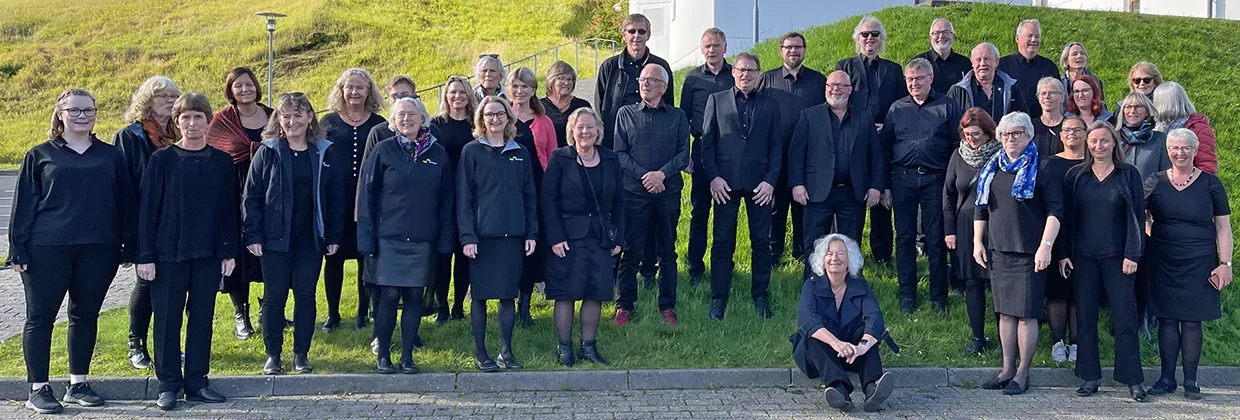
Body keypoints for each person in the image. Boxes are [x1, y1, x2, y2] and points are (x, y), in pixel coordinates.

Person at [9, 89, 136, 414]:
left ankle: (77, 383)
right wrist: (18, 248)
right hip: (46, 248)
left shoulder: (111, 156)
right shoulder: (39, 155)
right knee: (40, 318)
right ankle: (38, 388)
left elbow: (126, 204)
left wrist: (129, 243)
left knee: (85, 316)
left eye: (88, 110)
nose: (83, 116)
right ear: (60, 114)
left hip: (99, 247)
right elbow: (23, 205)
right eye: (75, 110)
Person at [136, 93, 235, 410]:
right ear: (176, 122)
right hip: (167, 253)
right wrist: (145, 255)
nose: (192, 124)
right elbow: (148, 210)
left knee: (202, 319)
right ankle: (168, 384)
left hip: (208, 253)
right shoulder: (162, 160)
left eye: (198, 117)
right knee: (166, 319)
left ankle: (197, 382)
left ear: (208, 121)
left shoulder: (221, 162)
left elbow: (228, 210)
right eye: (186, 118)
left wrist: (228, 252)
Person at [244, 92, 344, 375]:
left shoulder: (324, 151)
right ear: (279, 119)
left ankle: (301, 354)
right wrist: (253, 235)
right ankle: (273, 355)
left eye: (298, 115)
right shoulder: (268, 150)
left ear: (310, 117)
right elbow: (251, 196)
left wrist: (334, 235)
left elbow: (336, 197)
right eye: (286, 116)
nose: (292, 121)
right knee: (275, 297)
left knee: (306, 296)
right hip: (275, 239)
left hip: (310, 238)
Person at [357, 97, 454, 375]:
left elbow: (446, 199)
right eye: (401, 114)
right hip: (388, 239)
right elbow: (366, 196)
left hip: (423, 240)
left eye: (412, 114)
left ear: (423, 119)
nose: (407, 119)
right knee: (388, 297)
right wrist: (367, 239)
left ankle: (408, 356)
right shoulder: (383, 151)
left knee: (414, 297)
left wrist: (445, 239)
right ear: (393, 120)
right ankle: (384, 356)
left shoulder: (437, 154)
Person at [973, 112, 1062, 396]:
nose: (1010, 139)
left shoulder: (1044, 168)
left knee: (1026, 314)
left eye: (1017, 134)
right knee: (1005, 314)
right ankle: (1006, 369)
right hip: (999, 249)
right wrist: (978, 242)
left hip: (1030, 252)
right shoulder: (993, 166)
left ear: (1028, 135)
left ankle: (1023, 372)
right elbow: (981, 207)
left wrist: (1045, 247)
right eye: (1005, 134)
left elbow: (1055, 211)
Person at [1059, 121, 1148, 401]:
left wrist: (1133, 254)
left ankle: (1132, 380)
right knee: (1085, 318)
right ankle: (1089, 376)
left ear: (1114, 143)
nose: (1099, 146)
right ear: (1087, 143)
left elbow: (1136, 216)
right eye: (1094, 141)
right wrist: (1063, 253)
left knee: (1125, 318)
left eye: (1104, 141)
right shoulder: (1076, 175)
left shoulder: (1128, 174)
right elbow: (1067, 218)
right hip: (1083, 257)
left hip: (1118, 258)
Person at [1145, 128, 1233, 400]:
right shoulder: (1155, 181)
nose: (1180, 152)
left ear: (1195, 151)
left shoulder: (1210, 183)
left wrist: (1225, 263)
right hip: (1163, 259)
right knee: (1167, 320)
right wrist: (1152, 236)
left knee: (1192, 321)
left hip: (1200, 260)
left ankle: (1191, 381)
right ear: (1167, 151)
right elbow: (1141, 214)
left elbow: (1223, 226)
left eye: (1186, 148)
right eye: (1175, 148)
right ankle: (1166, 378)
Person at [457, 96, 538, 372]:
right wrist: (467, 237)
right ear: (481, 119)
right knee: (479, 297)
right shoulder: (472, 151)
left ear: (508, 118)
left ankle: (506, 351)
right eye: (489, 114)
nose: (495, 119)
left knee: (507, 297)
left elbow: (530, 195)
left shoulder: (521, 152)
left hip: (513, 236)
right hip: (482, 238)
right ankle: (481, 353)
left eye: (500, 114)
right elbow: (464, 198)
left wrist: (531, 232)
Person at [701, 52, 781, 320]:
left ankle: (760, 294)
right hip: (725, 181)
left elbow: (776, 147)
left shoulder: (770, 105)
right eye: (742, 70)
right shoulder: (716, 100)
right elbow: (707, 144)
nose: (746, 75)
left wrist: (771, 181)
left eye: (752, 71)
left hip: (760, 184)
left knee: (761, 241)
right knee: (723, 242)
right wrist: (713, 177)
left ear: (758, 74)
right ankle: (719, 298)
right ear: (733, 72)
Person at [541, 108, 623, 366]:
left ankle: (589, 347)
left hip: (600, 237)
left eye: (590, 127)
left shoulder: (610, 159)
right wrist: (554, 237)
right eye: (580, 127)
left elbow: (620, 201)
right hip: (566, 237)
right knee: (566, 292)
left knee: (594, 292)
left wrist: (618, 237)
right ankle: (564, 347)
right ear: (572, 132)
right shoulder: (560, 158)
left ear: (598, 130)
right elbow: (547, 200)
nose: (585, 132)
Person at [881, 58, 961, 314]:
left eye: (919, 78)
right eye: (910, 79)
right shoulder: (896, 108)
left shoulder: (947, 106)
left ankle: (939, 297)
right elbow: (885, 146)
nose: (914, 83)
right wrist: (885, 186)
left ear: (930, 79)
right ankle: (907, 294)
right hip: (902, 179)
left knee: (936, 239)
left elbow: (956, 145)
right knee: (904, 238)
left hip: (935, 180)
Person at [614, 64, 690, 327]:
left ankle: (667, 306)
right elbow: (620, 153)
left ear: (664, 87)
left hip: (667, 192)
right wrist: (646, 176)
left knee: (666, 251)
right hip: (634, 192)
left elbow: (684, 154)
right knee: (630, 250)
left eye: (651, 80)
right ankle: (624, 306)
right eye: (642, 79)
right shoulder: (625, 114)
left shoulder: (677, 116)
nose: (645, 83)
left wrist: (661, 175)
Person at [790, 70, 884, 279]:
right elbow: (796, 153)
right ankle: (813, 286)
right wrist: (797, 184)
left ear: (850, 90)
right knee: (813, 244)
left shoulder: (864, 118)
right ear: (825, 89)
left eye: (841, 85)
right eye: (831, 85)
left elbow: (875, 155)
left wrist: (876, 186)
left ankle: (849, 288)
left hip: (853, 191)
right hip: (817, 191)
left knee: (850, 244)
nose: (836, 89)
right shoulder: (809, 116)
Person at [114, 75, 180, 371]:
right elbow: (123, 184)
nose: (169, 100)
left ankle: (168, 346)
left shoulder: (183, 130)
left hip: (179, 221)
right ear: (146, 101)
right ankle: (136, 343)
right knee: (147, 281)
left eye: (173, 96)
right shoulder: (131, 135)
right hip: (145, 220)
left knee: (175, 285)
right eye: (162, 96)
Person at [792, 234, 895, 413]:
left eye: (841, 253)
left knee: (864, 331)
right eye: (829, 253)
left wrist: (862, 346)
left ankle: (872, 389)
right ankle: (839, 391)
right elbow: (806, 317)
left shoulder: (860, 285)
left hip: (852, 354)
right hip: (820, 355)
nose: (835, 258)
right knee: (812, 336)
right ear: (822, 260)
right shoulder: (812, 285)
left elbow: (875, 317)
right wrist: (836, 343)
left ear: (849, 259)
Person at [206, 67, 273, 341]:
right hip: (234, 188)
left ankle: (269, 309)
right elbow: (212, 155)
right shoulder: (222, 120)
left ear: (256, 86)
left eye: (248, 84)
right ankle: (240, 314)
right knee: (239, 251)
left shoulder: (272, 115)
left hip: (269, 189)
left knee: (270, 249)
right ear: (230, 91)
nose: (244, 89)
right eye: (238, 86)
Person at [318, 68, 386, 332]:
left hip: (368, 201)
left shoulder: (378, 123)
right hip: (335, 200)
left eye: (360, 87)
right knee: (333, 258)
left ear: (369, 91)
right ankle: (333, 314)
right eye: (350, 87)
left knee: (364, 258)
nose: (355, 92)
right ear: (342, 90)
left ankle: (362, 312)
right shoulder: (328, 123)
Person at [835, 18, 902, 266]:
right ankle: (848, 252)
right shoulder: (845, 66)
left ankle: (882, 254)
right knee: (852, 197)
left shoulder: (893, 69)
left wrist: (889, 124)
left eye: (875, 34)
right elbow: (838, 99)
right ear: (857, 39)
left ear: (881, 39)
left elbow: (900, 103)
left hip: (885, 139)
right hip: (855, 139)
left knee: (882, 194)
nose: (869, 39)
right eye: (864, 34)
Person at [760, 31, 827, 263]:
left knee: (803, 207)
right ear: (781, 50)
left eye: (798, 47)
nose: (793, 51)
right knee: (775, 207)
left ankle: (801, 253)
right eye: (788, 47)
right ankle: (773, 253)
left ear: (804, 50)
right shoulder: (766, 80)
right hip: (775, 156)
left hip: (807, 157)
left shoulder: (819, 81)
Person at [943, 108, 1000, 355]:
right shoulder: (958, 155)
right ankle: (978, 337)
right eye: (966, 134)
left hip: (996, 225)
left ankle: (1004, 338)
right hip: (965, 227)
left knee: (998, 284)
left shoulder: (1000, 154)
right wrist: (950, 231)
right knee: (973, 282)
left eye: (975, 134)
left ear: (988, 133)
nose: (971, 139)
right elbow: (948, 193)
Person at [682, 27, 735, 287]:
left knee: (727, 212)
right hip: (701, 149)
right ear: (702, 49)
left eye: (716, 45)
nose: (711, 50)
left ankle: (726, 263)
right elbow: (682, 118)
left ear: (725, 47)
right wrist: (685, 156)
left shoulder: (735, 75)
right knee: (699, 211)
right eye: (707, 46)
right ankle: (695, 267)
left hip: (730, 152)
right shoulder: (692, 79)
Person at [507, 66, 557, 327]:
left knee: (531, 247)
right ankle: (508, 300)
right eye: (515, 85)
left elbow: (553, 157)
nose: (520, 91)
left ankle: (525, 306)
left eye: (525, 86)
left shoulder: (544, 120)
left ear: (533, 89)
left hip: (537, 190)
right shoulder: (501, 116)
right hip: (507, 191)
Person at [430, 76, 479, 323]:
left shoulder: (475, 125)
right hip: (441, 195)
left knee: (464, 254)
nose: (457, 96)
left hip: (469, 195)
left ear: (469, 95)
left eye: (461, 92)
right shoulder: (435, 125)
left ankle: (459, 305)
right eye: (452, 92)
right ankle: (441, 306)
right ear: (446, 96)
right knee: (442, 253)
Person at [1043, 116, 1088, 363]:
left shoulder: (1095, 164)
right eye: (1066, 130)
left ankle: (1077, 343)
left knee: (1080, 293)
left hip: (1088, 237)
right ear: (1060, 136)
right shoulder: (1049, 165)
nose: (1072, 134)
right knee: (1058, 292)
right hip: (1058, 236)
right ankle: (1057, 342)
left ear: (1086, 133)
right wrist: (1057, 250)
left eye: (1077, 129)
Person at [595, 13, 674, 150]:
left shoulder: (661, 67)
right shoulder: (609, 67)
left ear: (648, 35)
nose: (636, 36)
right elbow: (600, 105)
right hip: (615, 138)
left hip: (651, 139)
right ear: (624, 35)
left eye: (641, 31)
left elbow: (668, 104)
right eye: (631, 31)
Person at [947, 43, 1026, 120]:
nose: (982, 63)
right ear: (972, 63)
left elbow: (1023, 119)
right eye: (978, 60)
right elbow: (948, 122)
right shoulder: (957, 91)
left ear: (996, 62)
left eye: (987, 59)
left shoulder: (1011, 88)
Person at [998, 19, 1059, 119]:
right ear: (1017, 38)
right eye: (1030, 36)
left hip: (1042, 126)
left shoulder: (1049, 67)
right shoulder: (1002, 65)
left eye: (1037, 36)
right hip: (1011, 127)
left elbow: (1058, 98)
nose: (1034, 40)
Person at [1152, 81, 1218, 174]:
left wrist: (1198, 185)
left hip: (1188, 182)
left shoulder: (1197, 128)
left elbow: (1206, 163)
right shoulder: (1158, 127)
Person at [1118, 92, 1171, 180]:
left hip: (1152, 192)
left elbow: (1166, 173)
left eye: (1138, 106)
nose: (1132, 111)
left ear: (1147, 112)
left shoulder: (1161, 139)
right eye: (1128, 107)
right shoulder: (1114, 138)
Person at [541, 61, 593, 148]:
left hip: (576, 157)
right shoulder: (539, 106)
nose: (566, 83)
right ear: (551, 81)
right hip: (546, 157)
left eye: (569, 79)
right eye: (561, 78)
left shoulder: (582, 105)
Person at [914, 18, 970, 95]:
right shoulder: (918, 62)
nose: (941, 36)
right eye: (936, 33)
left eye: (946, 32)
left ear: (953, 36)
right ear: (930, 38)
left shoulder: (965, 63)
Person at [1059, 42, 1104, 110]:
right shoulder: (1060, 82)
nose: (1080, 56)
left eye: (1083, 53)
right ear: (1066, 61)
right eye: (1075, 54)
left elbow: (1101, 105)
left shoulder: (1094, 81)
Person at [1030, 77, 1067, 159]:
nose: (1047, 97)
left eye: (1052, 93)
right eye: (1043, 93)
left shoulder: (1069, 126)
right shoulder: (1030, 126)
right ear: (1038, 98)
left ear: (1062, 98)